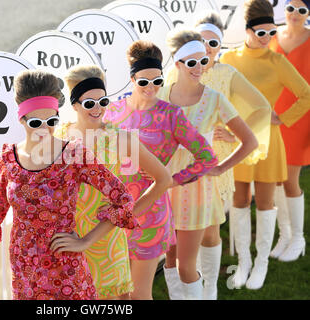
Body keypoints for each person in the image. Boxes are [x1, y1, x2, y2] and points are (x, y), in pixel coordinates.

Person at [0, 69, 140, 300]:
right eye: (35, 121)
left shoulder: (75, 154)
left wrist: (85, 241)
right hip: (25, 275)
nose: (44, 128)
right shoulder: (8, 159)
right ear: (21, 118)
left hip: (66, 275)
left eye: (51, 120)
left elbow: (123, 200)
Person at [163, 11, 271, 299]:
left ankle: (209, 285)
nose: (206, 51)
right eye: (202, 42)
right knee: (175, 241)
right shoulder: (172, 79)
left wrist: (232, 138)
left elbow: (261, 109)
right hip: (174, 174)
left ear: (219, 47)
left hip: (214, 162)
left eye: (213, 45)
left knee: (209, 231)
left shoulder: (224, 77)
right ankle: (190, 287)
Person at [103, 40, 219, 300]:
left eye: (158, 82)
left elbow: (207, 158)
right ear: (132, 79)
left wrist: (171, 181)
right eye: (144, 82)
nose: (151, 88)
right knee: (119, 292)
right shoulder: (111, 112)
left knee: (139, 292)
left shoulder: (172, 115)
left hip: (151, 214)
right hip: (115, 213)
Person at [54, 64, 172, 299]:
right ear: (75, 104)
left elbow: (163, 179)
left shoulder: (121, 139)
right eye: (89, 103)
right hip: (70, 239)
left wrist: (126, 215)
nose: (98, 109)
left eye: (103, 101)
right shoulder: (59, 139)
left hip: (107, 241)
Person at [220, 0, 310, 290]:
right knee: (239, 200)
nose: (268, 39)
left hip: (269, 143)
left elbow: (306, 94)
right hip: (237, 141)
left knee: (266, 202)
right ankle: (244, 261)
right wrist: (223, 130)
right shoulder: (229, 60)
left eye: (272, 33)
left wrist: (282, 119)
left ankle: (262, 263)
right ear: (247, 30)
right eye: (261, 33)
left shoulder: (277, 62)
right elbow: (219, 99)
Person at [268, 0, 309, 262]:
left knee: (290, 179)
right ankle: (284, 235)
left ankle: (298, 238)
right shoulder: (272, 36)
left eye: (302, 10)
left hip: (301, 117)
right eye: (290, 8)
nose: (294, 14)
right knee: (274, 181)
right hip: (271, 118)